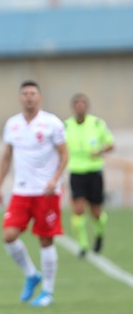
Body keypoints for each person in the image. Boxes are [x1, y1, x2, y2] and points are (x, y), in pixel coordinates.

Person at [0, 80, 69, 307]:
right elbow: (7, 156)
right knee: (8, 236)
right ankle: (31, 273)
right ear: (20, 98)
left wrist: (55, 179)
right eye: (25, 93)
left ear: (40, 97)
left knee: (45, 240)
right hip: (22, 190)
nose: (29, 97)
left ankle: (47, 291)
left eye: (33, 93)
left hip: (46, 192)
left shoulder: (52, 123)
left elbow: (65, 154)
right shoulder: (13, 124)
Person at [64, 93, 114, 257]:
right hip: (76, 172)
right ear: (73, 107)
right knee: (78, 210)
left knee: (96, 212)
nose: (80, 106)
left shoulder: (97, 124)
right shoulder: (66, 126)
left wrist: (99, 151)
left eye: (82, 104)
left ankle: (99, 234)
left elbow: (110, 144)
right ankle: (83, 245)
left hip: (94, 172)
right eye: (77, 104)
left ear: (87, 107)